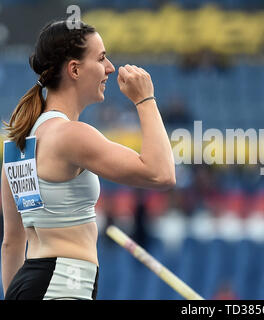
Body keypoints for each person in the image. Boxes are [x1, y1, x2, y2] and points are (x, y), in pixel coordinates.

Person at [1, 20, 176, 300]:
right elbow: (161, 173)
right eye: (102, 58)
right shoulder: (71, 135)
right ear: (74, 69)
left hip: (30, 284)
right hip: (63, 285)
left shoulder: (18, 143)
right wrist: (146, 100)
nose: (110, 68)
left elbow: (12, 243)